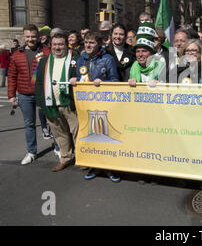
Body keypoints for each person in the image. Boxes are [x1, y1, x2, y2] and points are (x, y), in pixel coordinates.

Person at [70, 31, 120, 182]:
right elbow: (80, 79)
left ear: (98, 44)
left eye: (91, 42)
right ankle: (94, 166)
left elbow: (115, 80)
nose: (88, 45)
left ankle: (111, 169)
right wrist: (75, 80)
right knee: (91, 136)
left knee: (106, 136)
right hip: (87, 104)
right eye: (86, 42)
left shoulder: (107, 59)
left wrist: (102, 83)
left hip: (105, 104)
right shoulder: (81, 59)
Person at [7, 24, 60, 165]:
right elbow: (12, 76)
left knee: (52, 120)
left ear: (38, 37)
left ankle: (58, 147)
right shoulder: (17, 54)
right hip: (24, 95)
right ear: (24, 37)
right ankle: (31, 152)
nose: (31, 39)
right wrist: (11, 95)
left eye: (34, 36)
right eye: (28, 36)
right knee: (29, 124)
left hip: (43, 93)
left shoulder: (46, 52)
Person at [35, 33, 79, 172]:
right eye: (55, 44)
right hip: (51, 105)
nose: (57, 47)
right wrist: (42, 104)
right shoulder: (43, 62)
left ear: (66, 45)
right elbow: (38, 83)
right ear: (51, 45)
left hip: (70, 104)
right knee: (60, 134)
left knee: (78, 132)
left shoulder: (75, 59)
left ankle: (82, 158)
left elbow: (84, 75)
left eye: (60, 44)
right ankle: (65, 158)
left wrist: (77, 78)